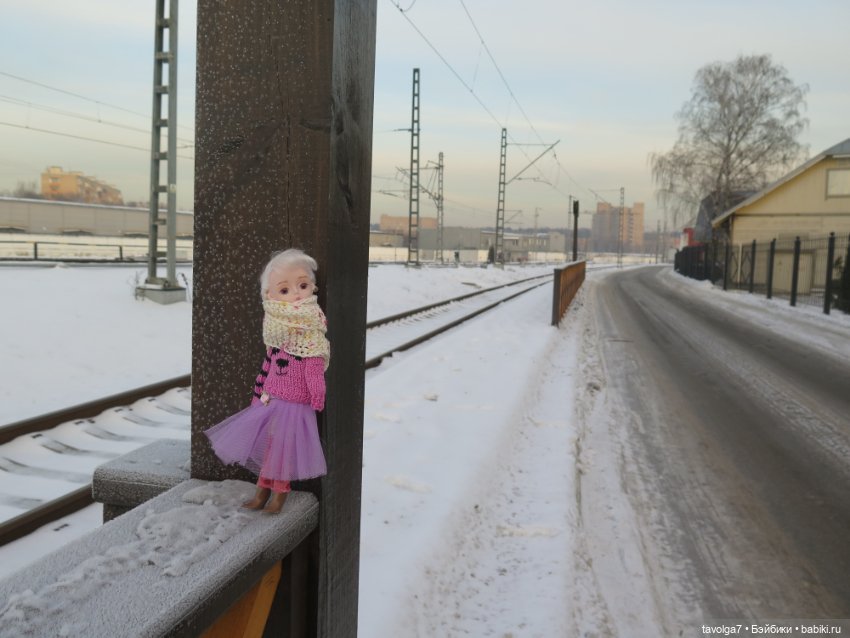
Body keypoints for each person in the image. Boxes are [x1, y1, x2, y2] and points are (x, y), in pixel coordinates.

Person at [204, 248, 330, 514]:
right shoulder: (276, 329)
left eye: (303, 285)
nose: (296, 294)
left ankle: (279, 495)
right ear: (269, 295)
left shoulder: (312, 334)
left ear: (312, 287)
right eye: (284, 290)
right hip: (271, 399)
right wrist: (258, 393)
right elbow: (268, 363)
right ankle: (261, 490)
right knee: (269, 448)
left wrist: (318, 394)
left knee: (283, 451)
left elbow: (314, 368)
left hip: (295, 406)